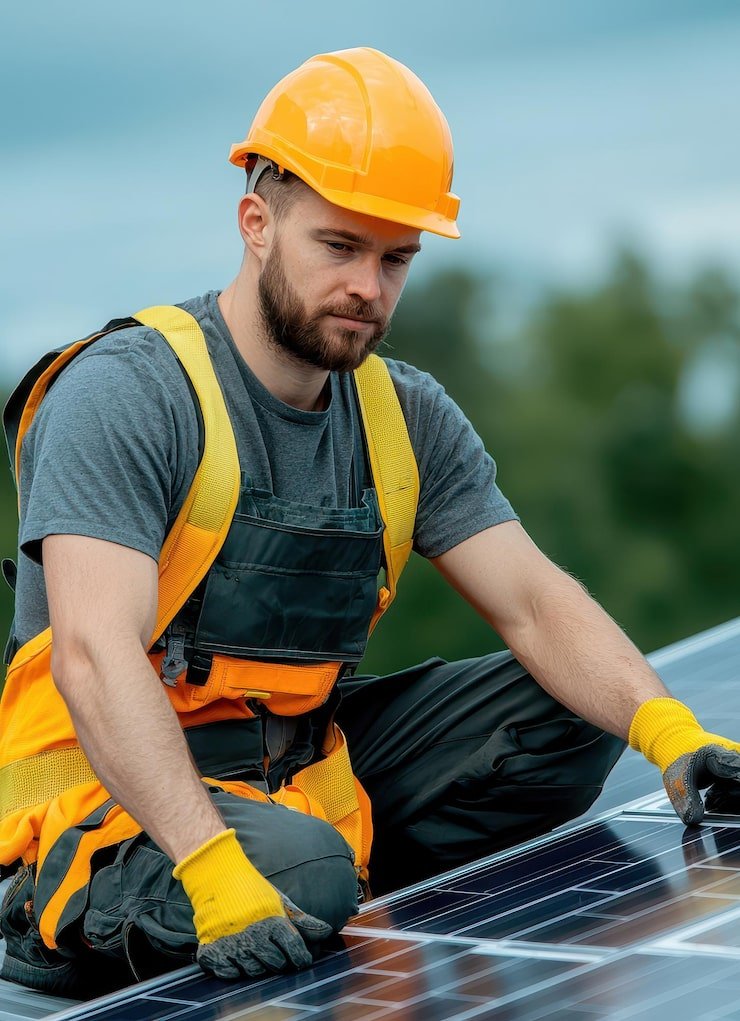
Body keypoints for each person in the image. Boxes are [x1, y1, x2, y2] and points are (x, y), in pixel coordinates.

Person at [1, 45, 739, 998]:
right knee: (304, 871)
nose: (368, 287)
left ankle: (301, 868)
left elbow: (534, 601)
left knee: (574, 711)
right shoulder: (130, 393)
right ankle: (76, 905)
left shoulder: (404, 415)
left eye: (396, 259)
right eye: (339, 247)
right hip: (102, 791)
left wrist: (673, 733)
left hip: (295, 767)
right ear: (257, 223)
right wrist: (211, 866)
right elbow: (93, 654)